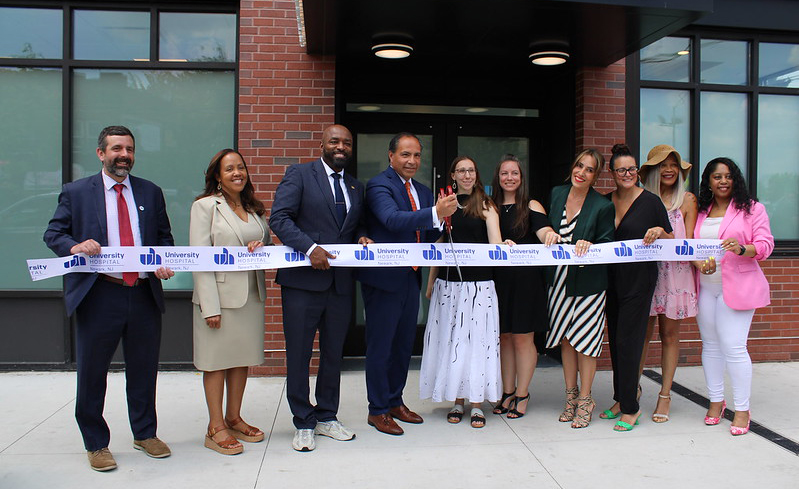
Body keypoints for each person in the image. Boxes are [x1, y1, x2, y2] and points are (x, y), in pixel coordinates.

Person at [43, 125, 175, 471]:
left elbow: (164, 238)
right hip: (99, 293)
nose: (124, 155)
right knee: (92, 372)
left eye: (129, 149)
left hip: (143, 293)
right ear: (101, 153)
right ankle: (96, 443)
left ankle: (145, 433)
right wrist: (73, 246)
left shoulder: (150, 192)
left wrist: (163, 261)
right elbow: (53, 233)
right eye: (117, 148)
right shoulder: (76, 192)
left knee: (144, 370)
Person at [269, 124, 372, 451]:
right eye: (335, 141)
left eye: (346, 142)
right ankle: (303, 420)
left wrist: (362, 237)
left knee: (332, 355)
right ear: (323, 144)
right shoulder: (299, 175)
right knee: (299, 354)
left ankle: (327, 415)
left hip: (340, 285)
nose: (341, 146)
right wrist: (309, 248)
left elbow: (358, 225)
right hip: (302, 283)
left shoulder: (356, 187)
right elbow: (279, 218)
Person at [358, 133, 457, 435]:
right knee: (381, 346)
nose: (412, 161)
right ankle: (377, 410)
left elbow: (424, 234)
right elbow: (391, 219)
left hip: (409, 278)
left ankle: (394, 402)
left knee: (402, 346)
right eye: (405, 154)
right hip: (383, 280)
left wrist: (439, 221)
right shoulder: (379, 185)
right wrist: (434, 213)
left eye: (416, 155)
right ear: (391, 156)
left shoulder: (424, 191)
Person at [190, 149, 272, 455]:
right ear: (217, 177)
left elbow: (268, 245)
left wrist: (261, 244)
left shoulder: (254, 208)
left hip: (251, 296)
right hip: (220, 299)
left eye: (241, 167)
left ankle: (234, 416)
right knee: (216, 362)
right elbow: (200, 259)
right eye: (229, 169)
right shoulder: (205, 207)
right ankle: (215, 427)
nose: (237, 173)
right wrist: (209, 306)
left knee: (240, 359)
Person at [420, 156, 508, 429]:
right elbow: (439, 244)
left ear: (476, 174)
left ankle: (477, 403)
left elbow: (495, 243)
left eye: (471, 170)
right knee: (452, 342)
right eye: (461, 171)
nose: (467, 175)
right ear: (453, 175)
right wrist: (431, 281)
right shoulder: (445, 204)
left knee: (477, 343)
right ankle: (457, 399)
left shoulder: (485, 204)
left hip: (478, 287)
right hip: (448, 287)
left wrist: (505, 245)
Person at [694, 157, 774, 436]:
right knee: (711, 346)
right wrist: (700, 263)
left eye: (728, 176)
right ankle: (716, 402)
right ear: (709, 182)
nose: (723, 181)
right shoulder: (701, 211)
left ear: (735, 178)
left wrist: (742, 249)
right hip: (706, 287)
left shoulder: (752, 209)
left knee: (734, 347)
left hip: (737, 288)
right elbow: (693, 248)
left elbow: (765, 245)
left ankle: (742, 409)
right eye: (717, 177)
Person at [602, 143, 673, 432]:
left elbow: (671, 240)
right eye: (622, 170)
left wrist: (659, 232)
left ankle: (631, 408)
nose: (628, 173)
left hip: (639, 280)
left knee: (629, 341)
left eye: (632, 168)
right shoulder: (605, 202)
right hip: (610, 280)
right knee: (616, 340)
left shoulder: (651, 202)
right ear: (613, 173)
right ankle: (622, 398)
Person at [545, 149, 615, 429]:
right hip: (559, 281)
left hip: (588, 285)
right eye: (579, 166)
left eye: (589, 169)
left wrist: (592, 245)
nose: (581, 172)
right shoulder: (557, 194)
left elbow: (608, 241)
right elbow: (546, 227)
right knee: (565, 339)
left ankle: (586, 399)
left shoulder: (602, 205)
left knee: (585, 343)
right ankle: (570, 396)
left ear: (595, 176)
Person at [489, 155, 559, 419]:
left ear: (521, 177)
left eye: (514, 173)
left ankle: (522, 393)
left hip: (526, 282)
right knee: (504, 337)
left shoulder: (531, 205)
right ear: (498, 178)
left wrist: (549, 235)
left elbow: (543, 231)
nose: (509, 178)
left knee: (522, 338)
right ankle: (507, 392)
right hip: (498, 282)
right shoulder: (491, 206)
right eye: (504, 173)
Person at [638, 144, 698, 423]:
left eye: (674, 164)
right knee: (641, 337)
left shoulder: (687, 200)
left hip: (676, 275)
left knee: (670, 336)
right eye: (663, 164)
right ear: (652, 170)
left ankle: (665, 395)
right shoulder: (643, 199)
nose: (669, 169)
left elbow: (689, 243)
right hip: (647, 273)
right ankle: (631, 392)